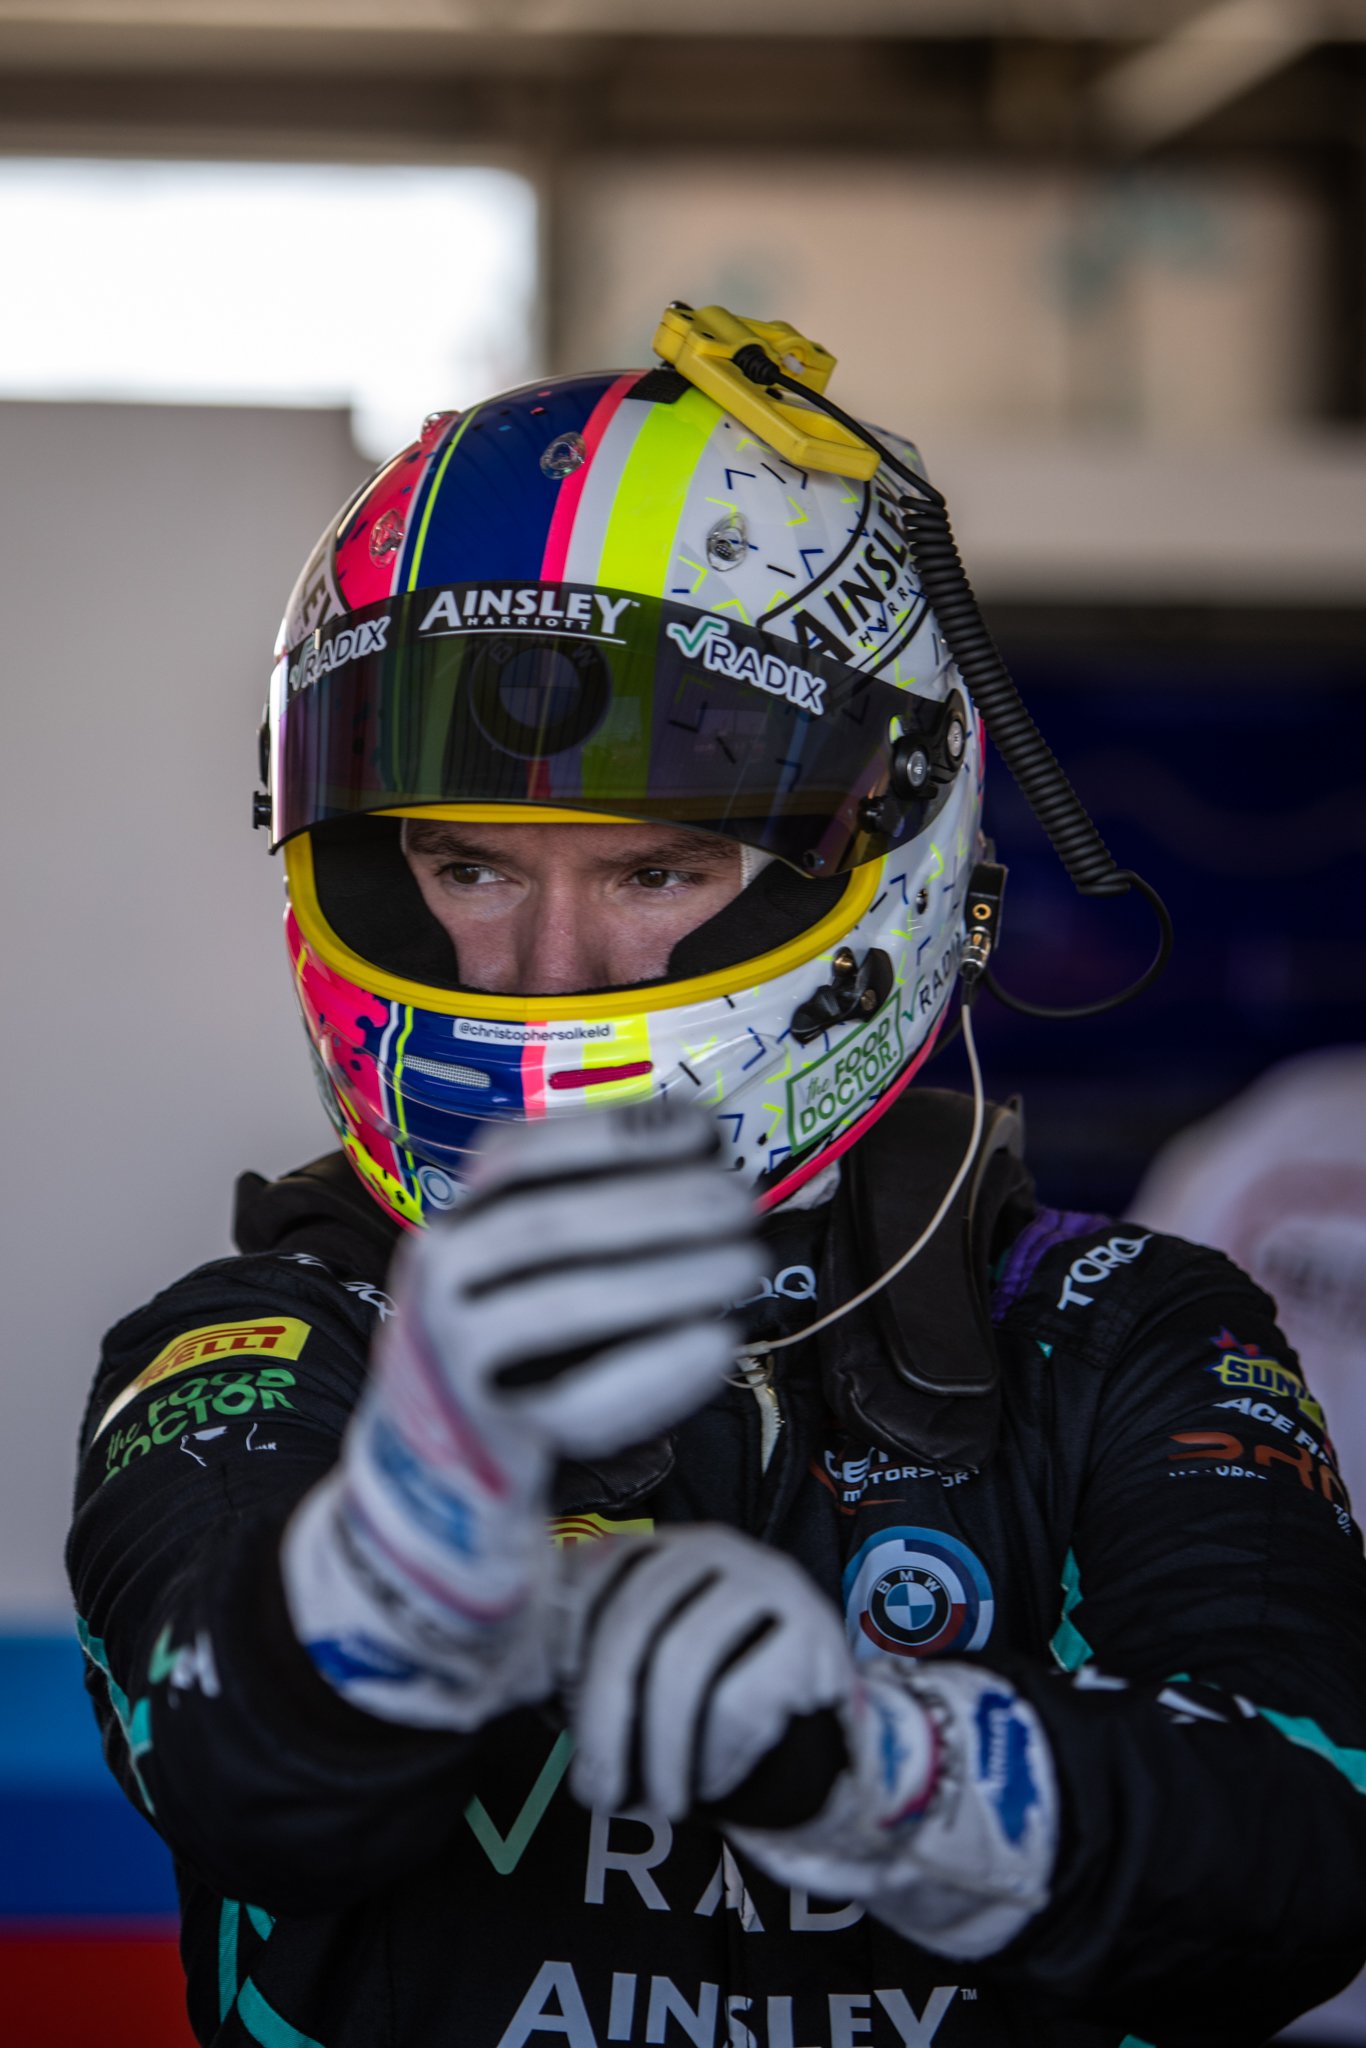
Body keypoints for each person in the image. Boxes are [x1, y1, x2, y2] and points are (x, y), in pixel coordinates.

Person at [68, 310, 1366, 2048]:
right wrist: (410, 1544)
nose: (548, 970)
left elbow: (1303, 1862)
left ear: (894, 851)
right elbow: (234, 1779)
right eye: (465, 865)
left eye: (658, 869)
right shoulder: (263, 1335)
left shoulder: (1121, 1328)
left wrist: (880, 1768)